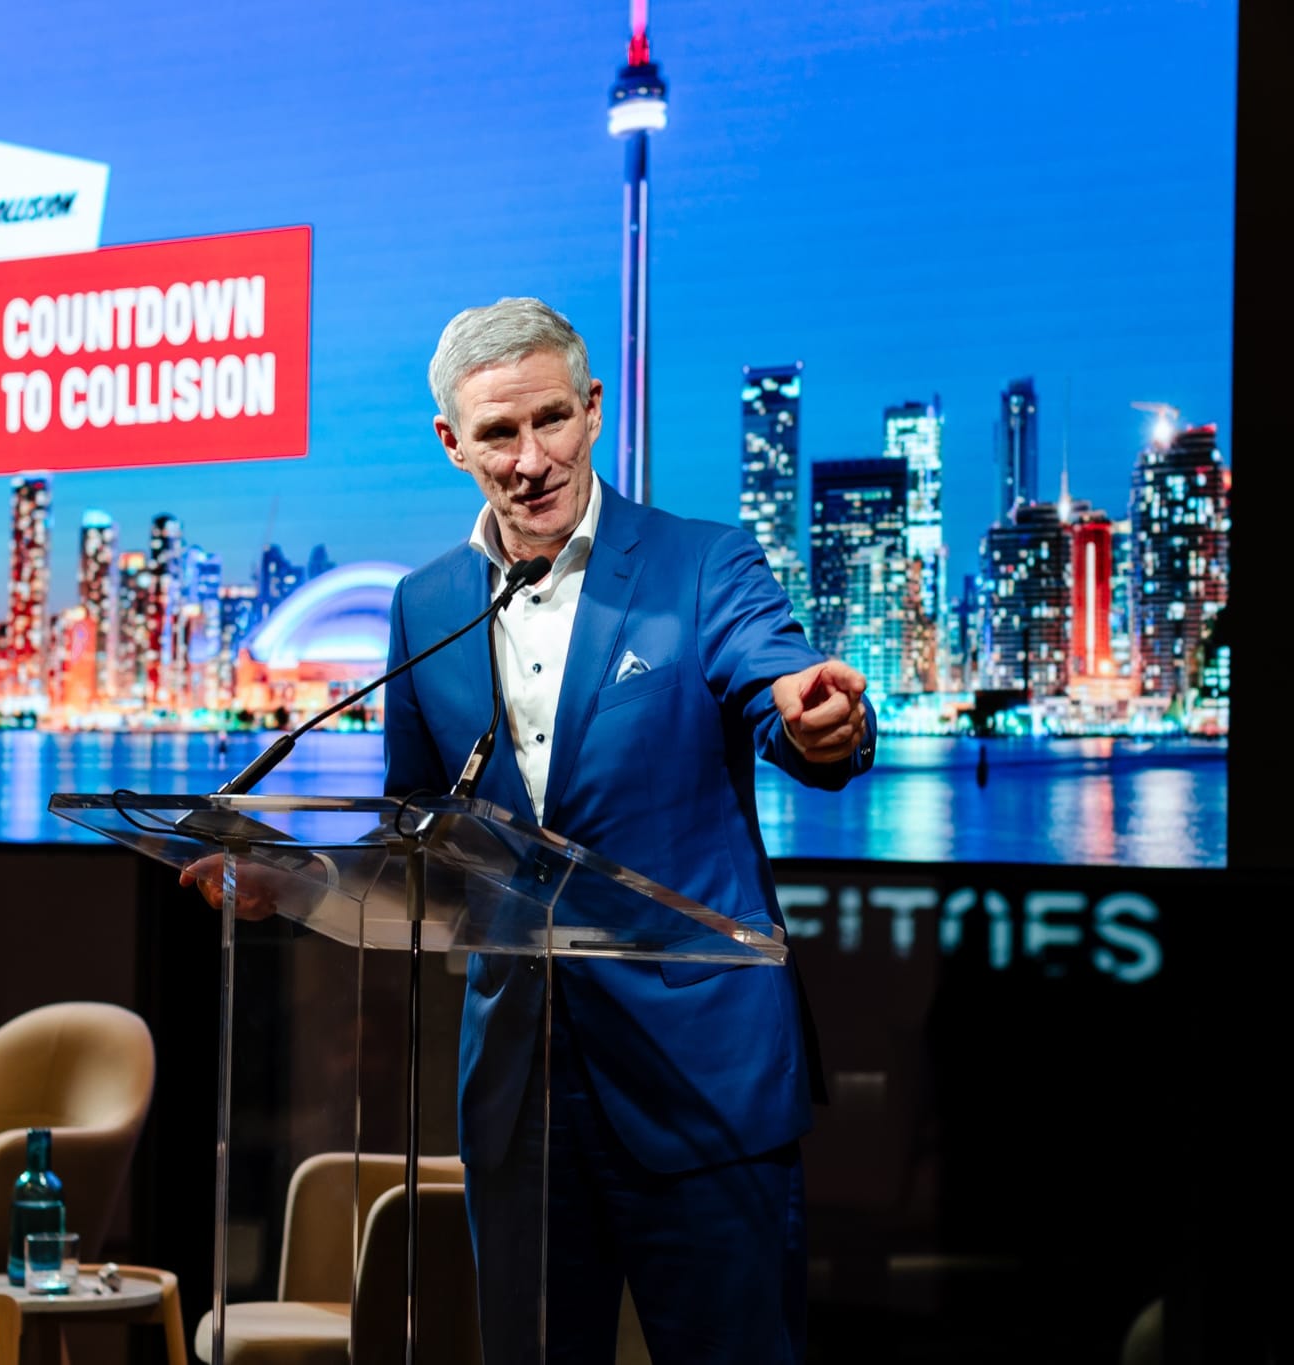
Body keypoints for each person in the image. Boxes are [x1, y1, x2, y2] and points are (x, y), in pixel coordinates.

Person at [187, 297, 873, 1362]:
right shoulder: (425, 605)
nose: (529, 459)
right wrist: (294, 880)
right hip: (517, 1093)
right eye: (497, 434)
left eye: (550, 420)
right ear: (451, 443)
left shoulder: (702, 567)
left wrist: (817, 719)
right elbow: (420, 839)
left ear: (592, 411)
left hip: (701, 1078)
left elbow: (774, 688)